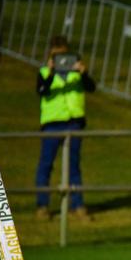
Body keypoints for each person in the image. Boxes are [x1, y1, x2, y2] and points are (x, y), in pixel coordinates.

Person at [35, 36, 96, 221]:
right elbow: (41, 91)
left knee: (73, 166)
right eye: (57, 56)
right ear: (50, 56)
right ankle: (42, 205)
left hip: (73, 123)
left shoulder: (76, 73)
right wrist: (52, 72)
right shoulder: (45, 72)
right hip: (52, 123)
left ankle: (77, 205)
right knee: (46, 165)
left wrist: (84, 72)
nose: (62, 60)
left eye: (65, 56)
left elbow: (91, 87)